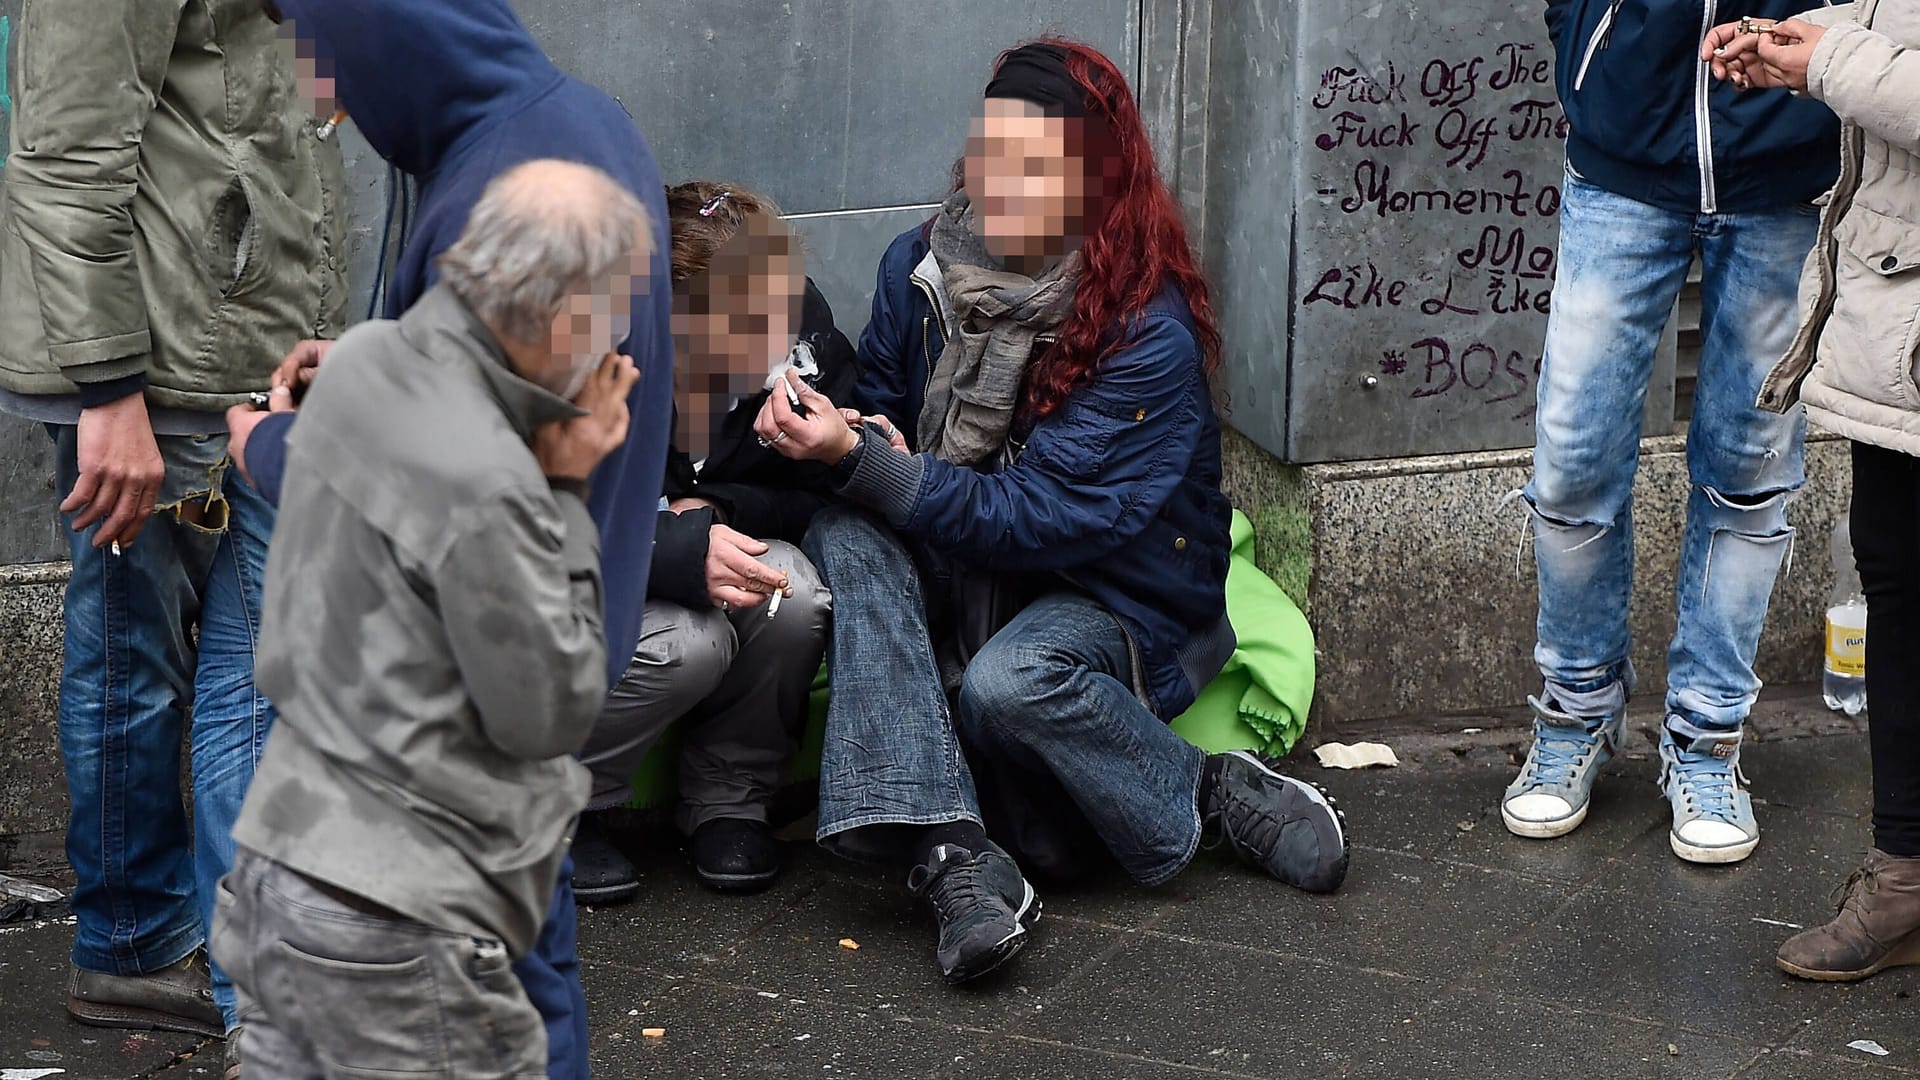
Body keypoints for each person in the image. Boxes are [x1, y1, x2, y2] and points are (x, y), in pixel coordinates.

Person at [756, 40, 1350, 985]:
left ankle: (1206, 789)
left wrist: (874, 470)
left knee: (1008, 683)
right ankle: (958, 855)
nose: (997, 183)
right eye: (987, 152)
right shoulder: (919, 266)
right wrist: (859, 430)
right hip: (962, 562)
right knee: (843, 532)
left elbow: (1041, 517)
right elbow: (886, 402)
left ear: (1092, 184)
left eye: (1031, 165)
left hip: (1105, 589)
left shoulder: (1139, 328)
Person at [226, 2, 675, 1074]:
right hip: (498, 677)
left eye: (323, 53)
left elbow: (478, 478)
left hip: (467, 710)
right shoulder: (560, 128)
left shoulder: (500, 173)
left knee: (502, 989)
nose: (321, 92)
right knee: (526, 962)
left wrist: (278, 448)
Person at [0, 0, 345, 1055]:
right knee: (180, 654)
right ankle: (150, 945)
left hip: (233, 340)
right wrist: (109, 393)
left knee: (174, 647)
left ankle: (140, 941)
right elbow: (63, 151)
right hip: (159, 361)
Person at [1501, 0, 1841, 864]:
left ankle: (1707, 739)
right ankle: (1575, 713)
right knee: (1572, 462)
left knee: (1750, 469)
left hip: (1788, 165)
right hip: (1622, 162)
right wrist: (1595, 48)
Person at [1703, 5, 1920, 981]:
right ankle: (1905, 882)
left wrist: (1830, 55)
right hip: (1896, 309)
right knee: (1900, 581)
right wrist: (1816, 38)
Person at [574, 182, 849, 901]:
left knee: (794, 595)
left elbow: (826, 490)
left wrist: (724, 503)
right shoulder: (594, 349)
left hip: (712, 546)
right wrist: (674, 545)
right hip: (577, 588)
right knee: (688, 644)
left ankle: (729, 798)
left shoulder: (798, 324)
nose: (773, 344)